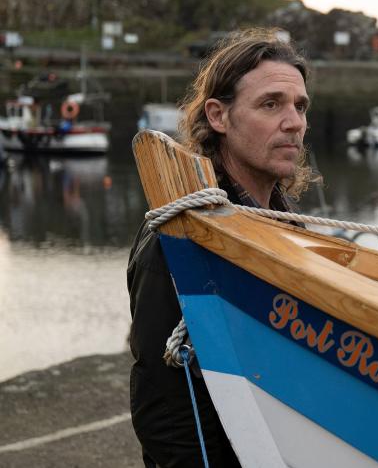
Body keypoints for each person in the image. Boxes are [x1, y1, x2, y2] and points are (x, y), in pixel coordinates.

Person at [127, 28, 314, 467]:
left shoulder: (290, 227)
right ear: (218, 116)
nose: (294, 122)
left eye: (300, 106)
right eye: (271, 104)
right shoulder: (179, 235)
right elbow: (164, 412)